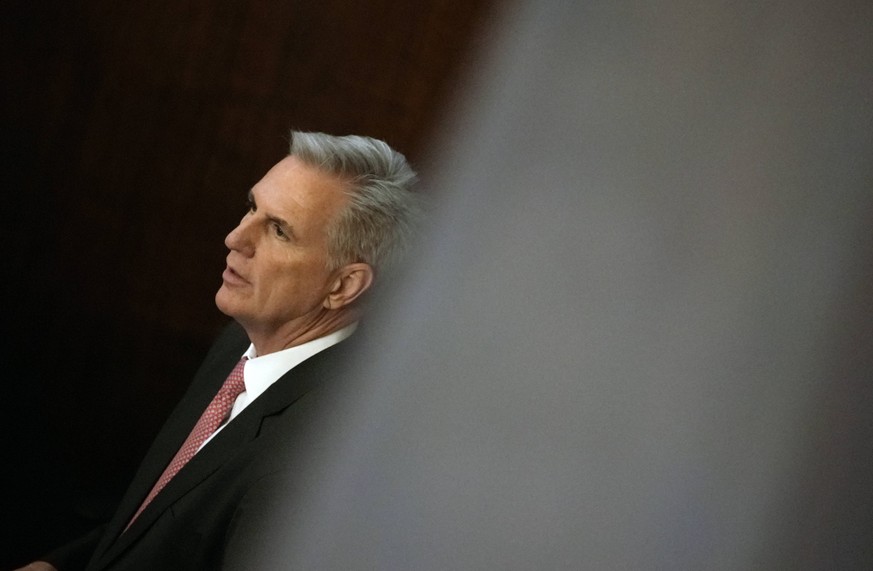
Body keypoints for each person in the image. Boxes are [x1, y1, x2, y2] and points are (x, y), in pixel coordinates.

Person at [16, 131, 420, 571]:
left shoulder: (312, 460)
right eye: (252, 208)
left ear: (343, 286)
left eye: (279, 230)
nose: (235, 238)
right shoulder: (242, 339)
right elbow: (156, 526)